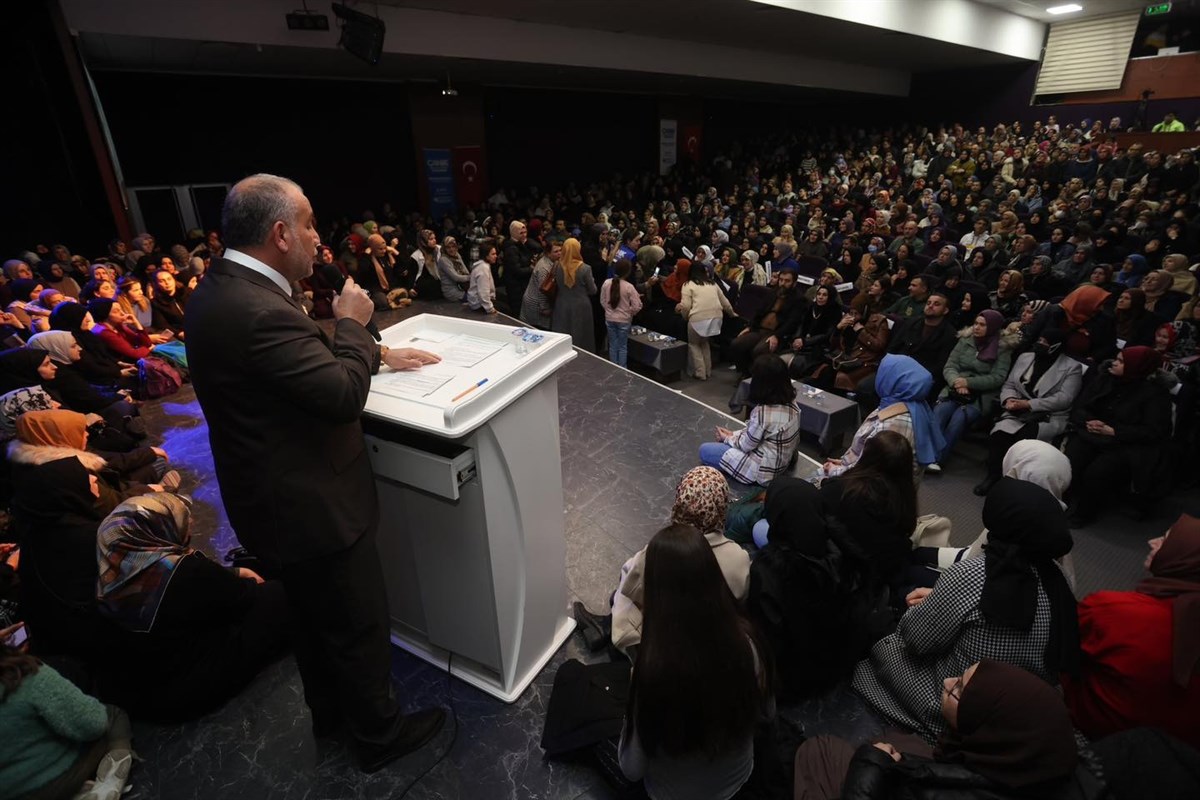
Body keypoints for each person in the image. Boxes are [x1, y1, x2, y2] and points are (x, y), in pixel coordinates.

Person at [184, 174, 445, 773]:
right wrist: (354, 324)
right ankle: (378, 737)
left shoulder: (219, 289)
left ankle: (331, 717)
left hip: (266, 503)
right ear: (279, 233)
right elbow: (339, 396)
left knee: (311, 623)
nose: (315, 236)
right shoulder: (257, 308)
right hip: (314, 508)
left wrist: (376, 353)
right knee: (355, 623)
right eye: (307, 224)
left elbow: (282, 370)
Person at [853, 478, 1078, 743]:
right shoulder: (1060, 581)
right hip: (1014, 711)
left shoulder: (973, 575)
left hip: (955, 699)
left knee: (881, 643)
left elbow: (915, 640)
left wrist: (933, 603)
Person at [93, 494, 290, 722]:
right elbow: (243, 597)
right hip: (188, 688)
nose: (190, 525)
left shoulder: (109, 577)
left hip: (142, 693)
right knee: (281, 597)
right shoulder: (182, 573)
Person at [618, 523, 770, 800]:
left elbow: (631, 769)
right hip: (740, 779)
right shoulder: (748, 642)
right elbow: (767, 712)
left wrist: (630, 709)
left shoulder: (652, 671)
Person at [796, 660, 1094, 800]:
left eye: (960, 689)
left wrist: (868, 769)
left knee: (819, 749)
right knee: (900, 740)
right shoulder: (1049, 760)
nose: (948, 682)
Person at [1063, 512, 1200, 750]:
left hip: (1097, 736)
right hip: (1179, 753)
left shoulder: (1116, 610)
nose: (1152, 541)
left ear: (1184, 559)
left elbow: (1062, 647)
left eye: (1165, 540)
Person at [611, 467, 751, 657]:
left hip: (662, 645)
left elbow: (630, 585)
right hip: (714, 643)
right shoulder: (739, 557)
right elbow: (741, 595)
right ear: (722, 507)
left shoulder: (656, 552)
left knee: (619, 595)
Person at [0, 643, 134, 800]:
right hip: (53, 782)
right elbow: (94, 724)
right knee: (113, 716)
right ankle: (110, 779)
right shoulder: (25, 673)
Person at [1064, 346, 1174, 526]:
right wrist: (1090, 421)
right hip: (1092, 432)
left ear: (1137, 366)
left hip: (1125, 443)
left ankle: (1084, 513)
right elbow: (1081, 406)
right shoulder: (1105, 379)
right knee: (1070, 461)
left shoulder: (1155, 394)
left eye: (1122, 361)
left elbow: (1154, 431)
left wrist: (1113, 431)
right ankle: (1059, 503)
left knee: (1097, 472)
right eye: (1117, 358)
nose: (1114, 363)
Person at [976, 329, 1083, 495]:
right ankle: (993, 477)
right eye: (1039, 339)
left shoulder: (1072, 367)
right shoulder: (1025, 357)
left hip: (1046, 416)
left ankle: (1012, 485)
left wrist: (1028, 404)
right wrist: (1008, 400)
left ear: (1056, 346)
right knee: (999, 435)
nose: (1040, 344)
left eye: (1045, 341)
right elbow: (1010, 384)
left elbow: (1064, 399)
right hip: (1016, 411)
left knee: (1023, 440)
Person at [822, 354, 945, 481]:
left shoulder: (895, 423)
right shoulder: (906, 405)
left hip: (871, 491)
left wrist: (835, 471)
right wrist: (844, 462)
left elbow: (869, 474)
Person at [929, 309, 1014, 472]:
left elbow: (998, 377)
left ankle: (937, 459)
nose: (976, 327)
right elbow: (950, 365)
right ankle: (927, 454)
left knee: (958, 419)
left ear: (993, 327)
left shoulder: (1003, 348)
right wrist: (956, 382)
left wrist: (968, 382)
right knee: (939, 414)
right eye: (976, 323)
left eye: (982, 325)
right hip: (954, 389)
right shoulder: (965, 340)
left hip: (980, 396)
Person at [701, 354, 800, 485]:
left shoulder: (764, 412)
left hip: (764, 472)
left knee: (704, 450)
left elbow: (746, 445)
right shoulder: (792, 403)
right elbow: (757, 434)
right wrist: (733, 434)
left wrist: (727, 438)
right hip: (782, 461)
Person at [677, 259, 735, 380]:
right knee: (704, 342)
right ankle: (708, 370)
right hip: (716, 319)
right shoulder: (713, 283)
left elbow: (686, 306)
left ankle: (700, 373)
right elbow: (725, 302)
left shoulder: (688, 285)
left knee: (694, 344)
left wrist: (685, 317)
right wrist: (732, 314)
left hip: (698, 319)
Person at [550, 237, 598, 352]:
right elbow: (593, 290)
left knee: (563, 335)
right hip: (581, 307)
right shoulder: (585, 268)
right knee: (581, 338)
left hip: (562, 304)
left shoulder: (557, 266)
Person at [599, 258, 642, 368]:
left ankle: (613, 367)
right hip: (624, 320)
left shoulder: (606, 283)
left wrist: (608, 310)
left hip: (609, 318)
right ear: (628, 272)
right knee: (622, 346)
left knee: (613, 345)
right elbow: (637, 305)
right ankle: (622, 368)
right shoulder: (629, 287)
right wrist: (630, 312)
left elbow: (603, 301)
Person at [520, 238, 560, 328]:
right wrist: (544, 308)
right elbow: (543, 290)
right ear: (548, 253)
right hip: (536, 304)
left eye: (560, 250)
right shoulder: (544, 268)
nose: (559, 253)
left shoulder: (551, 262)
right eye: (556, 251)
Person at [436, 235, 471, 302]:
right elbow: (456, 277)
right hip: (452, 292)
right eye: (448, 247)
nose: (451, 249)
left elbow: (465, 270)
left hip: (463, 288)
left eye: (453, 246)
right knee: (477, 299)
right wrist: (470, 277)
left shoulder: (457, 255)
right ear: (444, 248)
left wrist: (470, 276)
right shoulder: (443, 260)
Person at [467, 243, 499, 314]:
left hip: (480, 301)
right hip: (479, 304)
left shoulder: (484, 266)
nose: (496, 256)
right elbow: (483, 293)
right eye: (493, 254)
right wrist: (490, 309)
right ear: (486, 256)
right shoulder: (483, 268)